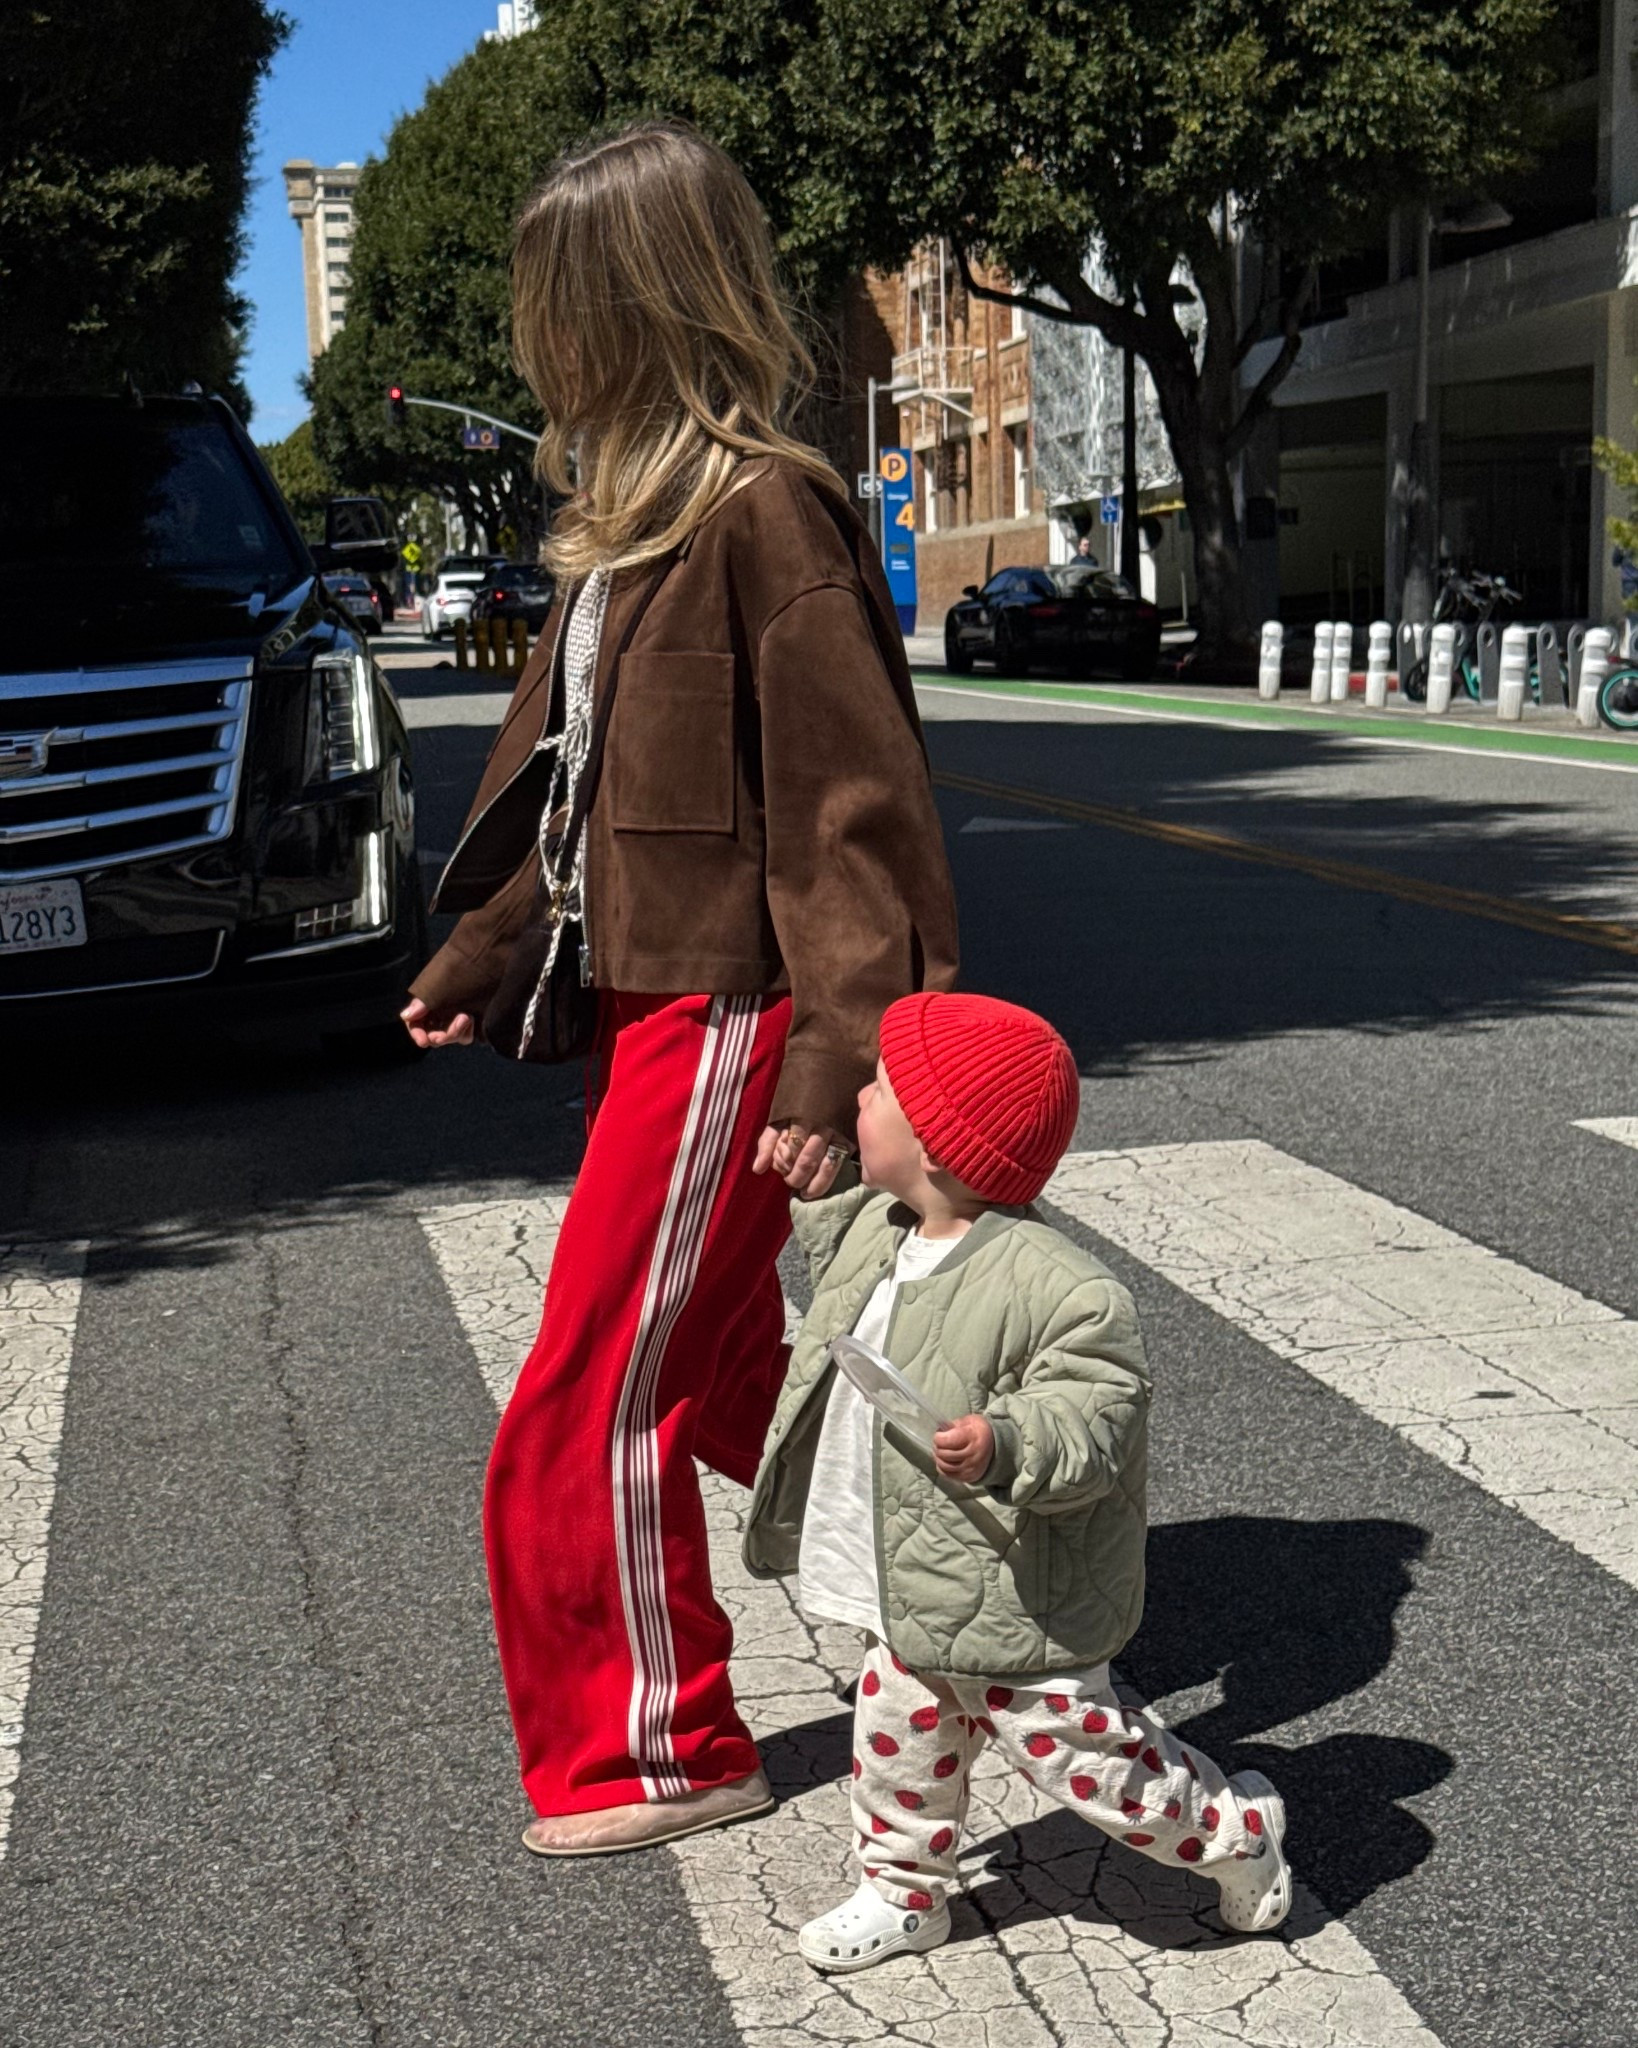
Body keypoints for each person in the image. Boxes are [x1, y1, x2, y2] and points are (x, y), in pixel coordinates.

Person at [401, 121, 959, 1856]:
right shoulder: (621, 533)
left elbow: (852, 824)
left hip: (730, 1012)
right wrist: (478, 952)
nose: (534, 336)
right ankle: (947, 1548)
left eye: (555, 301)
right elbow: (560, 787)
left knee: (586, 1392)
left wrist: (833, 1072)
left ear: (629, 304)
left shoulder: (762, 512)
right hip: (648, 999)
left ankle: (657, 1742)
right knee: (718, 1356)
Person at [744, 993, 1291, 1972]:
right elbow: (834, 1266)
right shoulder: (887, 1225)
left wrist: (1006, 1440)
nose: (857, 1096)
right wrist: (820, 1188)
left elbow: (1099, 1411)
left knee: (1098, 1766)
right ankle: (902, 1890)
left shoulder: (1057, 1283)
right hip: (913, 1580)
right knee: (898, 1744)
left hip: (1011, 1602)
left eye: (879, 1089)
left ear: (941, 1144)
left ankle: (1233, 1828)